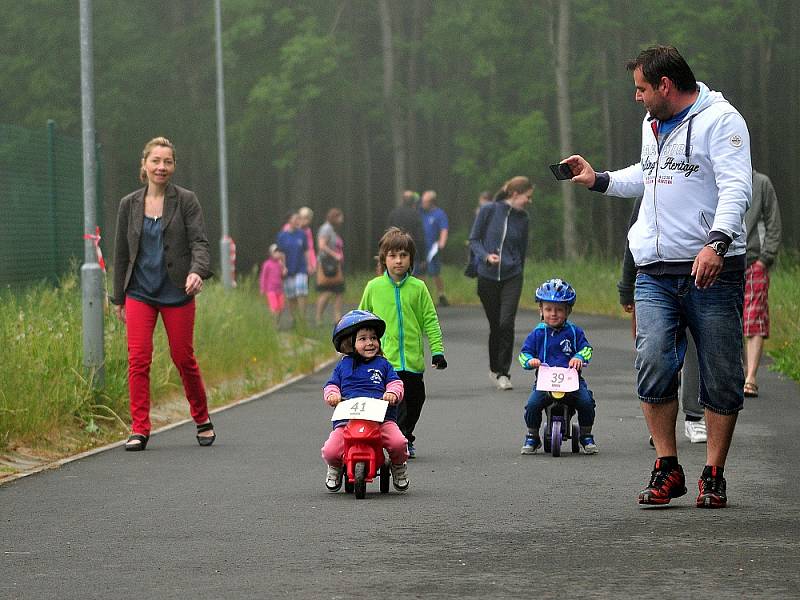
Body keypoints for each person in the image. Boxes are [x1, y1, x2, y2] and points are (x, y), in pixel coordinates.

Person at [563, 45, 751, 508]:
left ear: (665, 86)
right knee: (652, 361)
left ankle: (714, 473)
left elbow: (736, 187)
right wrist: (599, 178)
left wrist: (717, 243)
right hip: (655, 270)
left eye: (641, 89)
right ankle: (668, 467)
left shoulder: (723, 120)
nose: (637, 97)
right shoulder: (651, 125)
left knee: (721, 373)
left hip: (713, 269)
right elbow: (647, 176)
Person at [111, 136, 215, 451]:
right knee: (138, 359)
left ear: (173, 167)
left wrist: (197, 271)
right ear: (144, 165)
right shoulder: (129, 204)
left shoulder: (186, 200)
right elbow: (120, 253)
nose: (161, 167)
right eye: (155, 161)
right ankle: (140, 428)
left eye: (167, 161)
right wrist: (118, 297)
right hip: (140, 292)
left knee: (183, 358)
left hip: (177, 291)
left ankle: (202, 418)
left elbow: (200, 242)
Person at [618, 197, 707, 444]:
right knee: (658, 356)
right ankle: (660, 425)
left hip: (697, 278)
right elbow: (631, 242)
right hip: (655, 281)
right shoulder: (648, 189)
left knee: (694, 353)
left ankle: (694, 417)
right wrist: (626, 288)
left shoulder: (697, 185)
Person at [359, 227, 447, 459]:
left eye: (403, 256)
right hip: (385, 360)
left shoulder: (418, 288)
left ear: (411, 260)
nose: (398, 261)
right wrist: (355, 350)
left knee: (416, 400)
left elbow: (430, 320)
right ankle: (400, 438)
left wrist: (437, 351)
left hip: (412, 360)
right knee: (395, 404)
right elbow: (361, 320)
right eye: (392, 256)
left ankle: (406, 435)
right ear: (384, 259)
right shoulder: (374, 287)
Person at [321, 310, 409, 492]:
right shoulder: (343, 366)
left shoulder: (383, 364)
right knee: (331, 450)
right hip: (348, 420)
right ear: (350, 343)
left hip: (380, 419)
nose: (370, 343)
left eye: (373, 338)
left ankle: (398, 466)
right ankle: (336, 467)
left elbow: (395, 382)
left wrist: (392, 393)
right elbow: (331, 385)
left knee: (398, 443)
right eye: (363, 339)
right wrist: (332, 395)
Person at [468, 176, 533, 391]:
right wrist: (486, 256)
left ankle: (504, 373)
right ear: (515, 194)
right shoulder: (489, 211)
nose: (529, 201)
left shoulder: (523, 218)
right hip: (487, 277)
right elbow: (474, 240)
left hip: (512, 276)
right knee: (495, 325)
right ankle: (495, 368)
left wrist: (518, 269)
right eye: (527, 197)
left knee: (506, 323)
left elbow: (522, 250)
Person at [518, 279, 597, 455]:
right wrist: (530, 361)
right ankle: (532, 435)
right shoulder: (538, 333)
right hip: (545, 383)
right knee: (532, 405)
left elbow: (587, 349)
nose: (553, 314)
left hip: (572, 382)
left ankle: (586, 435)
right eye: (548, 309)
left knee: (586, 402)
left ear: (568, 310)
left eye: (559, 310)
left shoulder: (575, 332)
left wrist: (578, 357)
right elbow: (524, 353)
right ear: (541, 310)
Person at [743, 169, 782, 398]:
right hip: (724, 262)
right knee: (726, 321)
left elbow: (773, 223)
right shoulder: (720, 178)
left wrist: (765, 259)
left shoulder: (761, 183)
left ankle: (751, 378)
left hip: (754, 262)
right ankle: (734, 374)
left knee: (754, 318)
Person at [276, 211, 311, 322]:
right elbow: (280, 253)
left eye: (299, 219)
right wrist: (283, 267)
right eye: (296, 218)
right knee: (291, 296)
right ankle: (293, 318)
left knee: (301, 291)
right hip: (288, 269)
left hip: (301, 268)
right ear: (289, 220)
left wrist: (309, 264)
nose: (298, 221)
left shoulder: (302, 234)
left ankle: (302, 318)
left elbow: (306, 251)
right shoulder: (282, 236)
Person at [418, 190, 450, 306]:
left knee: (435, 272)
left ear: (431, 202)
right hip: (421, 247)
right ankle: (424, 298)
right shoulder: (420, 212)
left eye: (425, 201)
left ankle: (441, 295)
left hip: (433, 248)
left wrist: (442, 242)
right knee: (421, 272)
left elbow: (444, 229)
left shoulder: (439, 214)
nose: (422, 203)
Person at [315, 208, 346, 325]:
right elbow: (321, 245)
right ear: (334, 217)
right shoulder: (326, 229)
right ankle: (318, 318)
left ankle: (337, 318)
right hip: (327, 264)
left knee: (339, 291)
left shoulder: (333, 230)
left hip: (336, 266)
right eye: (340, 217)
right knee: (326, 292)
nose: (342, 220)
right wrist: (335, 255)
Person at [386, 190, 426, 260]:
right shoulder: (415, 215)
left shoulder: (393, 213)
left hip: (396, 247)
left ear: (403, 200)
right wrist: (423, 256)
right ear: (413, 201)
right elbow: (420, 236)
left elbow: (388, 232)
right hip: (411, 247)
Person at [259, 243, 287, 325]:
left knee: (281, 308)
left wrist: (284, 270)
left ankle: (276, 322)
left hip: (279, 289)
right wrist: (262, 288)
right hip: (270, 289)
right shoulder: (267, 264)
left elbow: (282, 274)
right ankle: (273, 325)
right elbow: (263, 276)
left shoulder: (280, 263)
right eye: (275, 252)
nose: (277, 253)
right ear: (271, 253)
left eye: (278, 252)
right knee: (274, 307)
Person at [297, 206, 317, 274]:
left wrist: (313, 264)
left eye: (306, 218)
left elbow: (310, 248)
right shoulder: (288, 228)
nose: (303, 220)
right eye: (301, 218)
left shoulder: (308, 231)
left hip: (303, 263)